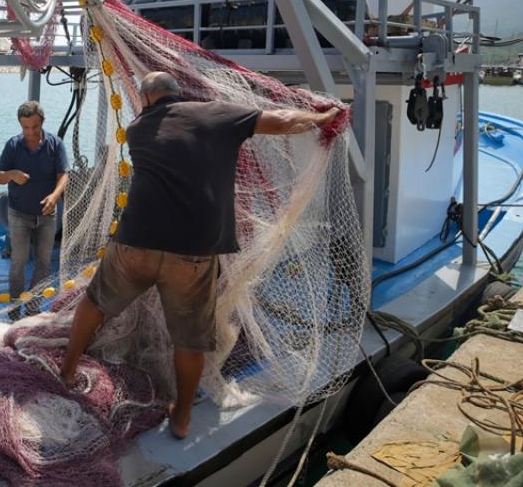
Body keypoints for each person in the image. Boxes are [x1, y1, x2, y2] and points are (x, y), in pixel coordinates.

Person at [58, 72, 342, 439]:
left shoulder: (138, 128)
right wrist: (322, 118)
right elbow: (284, 121)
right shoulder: (218, 114)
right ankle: (182, 418)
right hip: (191, 256)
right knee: (188, 340)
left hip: (135, 244)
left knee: (95, 302)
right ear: (179, 94)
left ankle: (67, 370)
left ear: (146, 99)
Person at [0, 101, 69, 308]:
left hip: (47, 215)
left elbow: (64, 175)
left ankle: (34, 304)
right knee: (18, 261)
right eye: (25, 127)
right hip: (19, 214)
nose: (30, 131)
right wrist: (11, 174)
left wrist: (54, 196)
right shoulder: (13, 145)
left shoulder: (55, 144)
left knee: (43, 262)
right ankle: (15, 304)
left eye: (34, 127)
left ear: (42, 122)